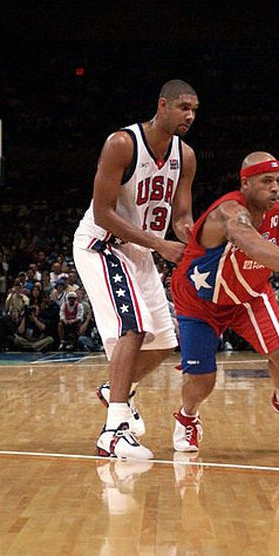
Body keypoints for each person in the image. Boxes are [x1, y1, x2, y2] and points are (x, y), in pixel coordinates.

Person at [170, 152, 279, 453]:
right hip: (200, 302)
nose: (274, 188)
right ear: (245, 183)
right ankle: (187, 418)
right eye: (266, 181)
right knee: (202, 383)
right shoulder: (229, 212)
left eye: (277, 181)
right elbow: (252, 245)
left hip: (249, 295)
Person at [72, 80, 198, 459]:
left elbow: (182, 217)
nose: (190, 116)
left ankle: (116, 390)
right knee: (134, 328)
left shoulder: (186, 156)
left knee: (163, 342)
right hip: (102, 245)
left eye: (194, 110)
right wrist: (160, 244)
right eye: (183, 108)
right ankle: (113, 431)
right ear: (162, 105)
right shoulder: (122, 144)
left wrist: (196, 244)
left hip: (140, 253)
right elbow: (103, 213)